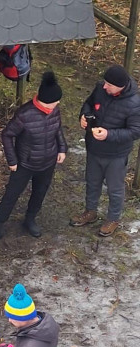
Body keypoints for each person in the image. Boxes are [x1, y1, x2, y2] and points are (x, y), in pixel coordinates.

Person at [0, 71, 67, 245]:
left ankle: (30, 219)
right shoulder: (25, 114)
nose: (58, 103)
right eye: (56, 101)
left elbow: (58, 129)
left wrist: (62, 149)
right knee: (11, 195)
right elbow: (7, 135)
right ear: (46, 101)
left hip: (48, 162)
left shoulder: (54, 111)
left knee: (40, 192)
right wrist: (12, 160)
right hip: (25, 164)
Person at [70, 64, 140, 237]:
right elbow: (89, 104)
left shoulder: (134, 104)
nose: (104, 86)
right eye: (105, 82)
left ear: (120, 86)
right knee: (92, 182)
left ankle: (113, 219)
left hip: (116, 155)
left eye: (109, 84)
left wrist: (109, 134)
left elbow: (135, 131)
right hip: (94, 148)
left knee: (115, 189)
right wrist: (83, 116)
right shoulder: (100, 88)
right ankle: (90, 212)